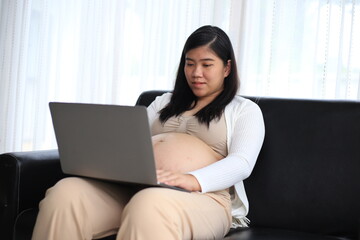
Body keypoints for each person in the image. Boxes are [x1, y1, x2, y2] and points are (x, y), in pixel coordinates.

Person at [32, 25, 265, 240]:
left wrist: (193, 180)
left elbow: (242, 163)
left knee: (149, 203)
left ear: (227, 68)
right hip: (137, 188)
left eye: (206, 64)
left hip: (205, 198)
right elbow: (128, 142)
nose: (196, 72)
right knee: (67, 193)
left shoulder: (244, 110)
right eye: (190, 63)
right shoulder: (162, 102)